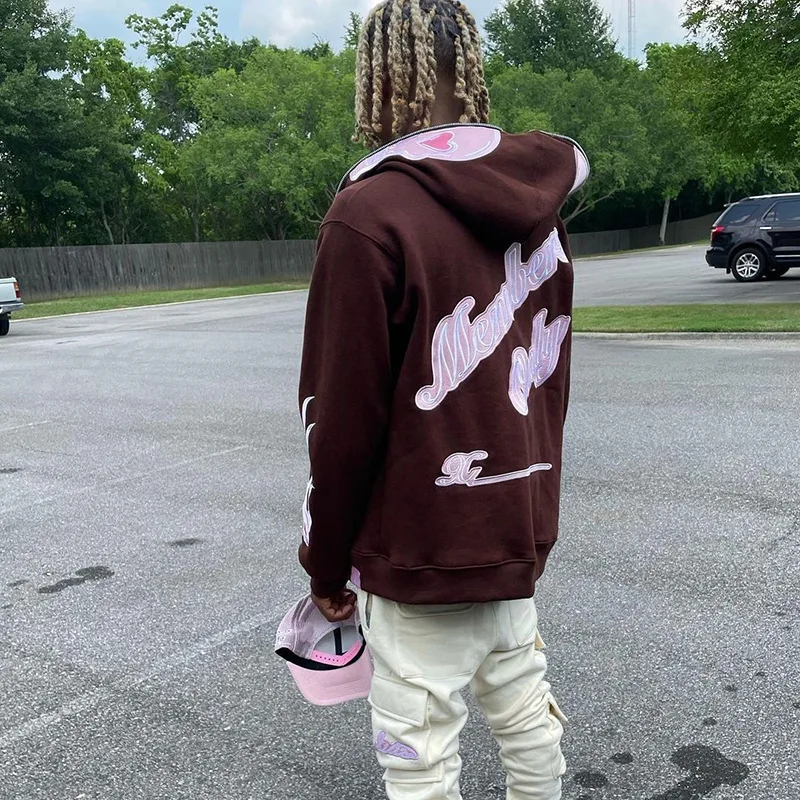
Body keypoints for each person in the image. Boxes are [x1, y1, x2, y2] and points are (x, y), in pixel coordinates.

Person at [296, 1, 589, 798]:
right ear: (472, 70)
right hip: (513, 526)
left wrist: (327, 562)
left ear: (382, 74)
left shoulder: (369, 214)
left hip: (419, 546)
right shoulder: (541, 208)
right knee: (527, 719)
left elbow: (343, 422)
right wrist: (532, 517)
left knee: (417, 753)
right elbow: (552, 386)